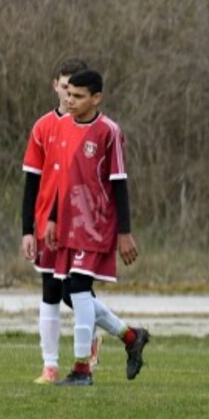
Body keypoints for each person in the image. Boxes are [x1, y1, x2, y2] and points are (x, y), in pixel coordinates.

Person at [43, 69, 150, 386]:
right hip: (68, 222)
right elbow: (61, 179)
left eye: (78, 96)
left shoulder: (109, 132)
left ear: (96, 98)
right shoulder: (64, 127)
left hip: (97, 223)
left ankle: (82, 369)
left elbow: (119, 183)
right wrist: (52, 218)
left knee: (78, 289)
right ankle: (131, 336)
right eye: (68, 94)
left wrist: (124, 232)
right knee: (70, 294)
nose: (70, 100)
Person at [21, 57, 104, 384]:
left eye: (75, 90)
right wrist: (27, 230)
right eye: (65, 87)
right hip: (48, 224)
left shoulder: (92, 128)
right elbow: (31, 182)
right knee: (51, 289)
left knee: (77, 290)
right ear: (55, 85)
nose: (69, 95)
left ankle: (94, 341)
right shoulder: (43, 127)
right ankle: (50, 365)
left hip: (80, 224)